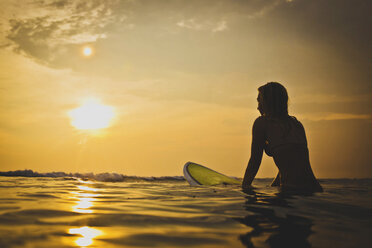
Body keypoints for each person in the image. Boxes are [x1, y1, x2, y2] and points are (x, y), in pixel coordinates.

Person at [242, 82, 323, 192]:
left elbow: (255, 161)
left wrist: (244, 187)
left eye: (259, 101)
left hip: (293, 191)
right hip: (315, 190)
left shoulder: (262, 123)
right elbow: (289, 163)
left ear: (267, 102)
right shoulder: (296, 125)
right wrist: (273, 187)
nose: (257, 107)